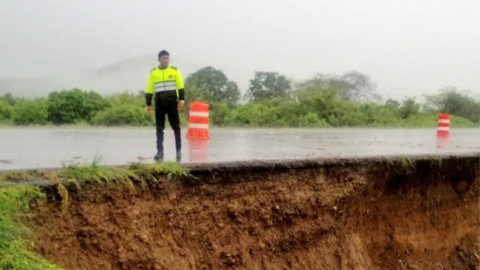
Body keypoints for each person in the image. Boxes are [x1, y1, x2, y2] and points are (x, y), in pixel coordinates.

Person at [145, 50, 185, 162]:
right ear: (159, 60)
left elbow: (180, 86)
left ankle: (178, 150)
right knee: (159, 128)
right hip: (159, 104)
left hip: (172, 103)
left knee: (176, 127)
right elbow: (149, 89)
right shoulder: (153, 72)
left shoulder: (175, 71)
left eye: (167, 58)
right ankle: (159, 151)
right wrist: (148, 104)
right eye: (163, 58)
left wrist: (181, 99)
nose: (165, 60)